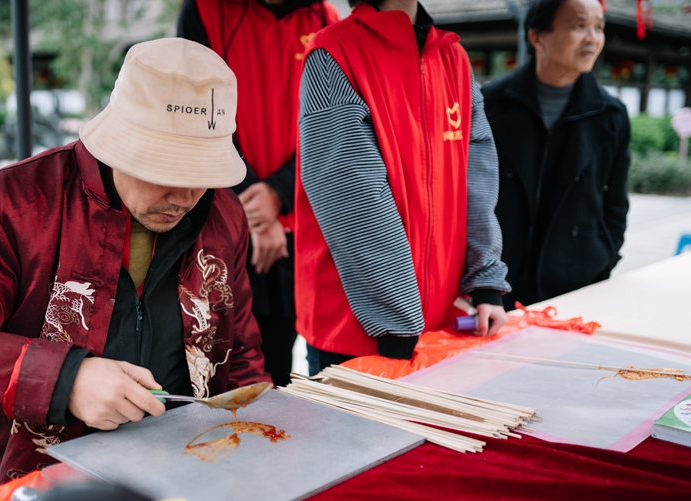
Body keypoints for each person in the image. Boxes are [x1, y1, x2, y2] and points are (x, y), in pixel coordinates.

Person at [0, 38, 270, 494]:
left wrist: (255, 450)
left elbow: (241, 352)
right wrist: (65, 380)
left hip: (189, 472)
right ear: (121, 141)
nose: (185, 198)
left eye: (202, 174)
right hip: (41, 486)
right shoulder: (10, 203)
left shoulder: (222, 212)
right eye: (167, 170)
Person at [296, 0, 511, 374]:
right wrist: (397, 320)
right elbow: (352, 197)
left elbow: (476, 182)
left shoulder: (453, 57)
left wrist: (485, 283)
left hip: (437, 322)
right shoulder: (333, 52)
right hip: (361, 331)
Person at [177, 0, 339, 386]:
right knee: (216, 358)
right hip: (226, 219)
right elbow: (195, 109)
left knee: (280, 360)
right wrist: (252, 203)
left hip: (299, 220)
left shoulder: (325, 18)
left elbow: (333, 124)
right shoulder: (205, 10)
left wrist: (279, 192)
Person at [482, 0, 629, 310]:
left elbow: (615, 203)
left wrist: (604, 257)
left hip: (578, 281)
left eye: (599, 27)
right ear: (537, 37)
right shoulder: (490, 104)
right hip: (499, 284)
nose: (593, 38)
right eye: (579, 26)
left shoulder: (611, 114)